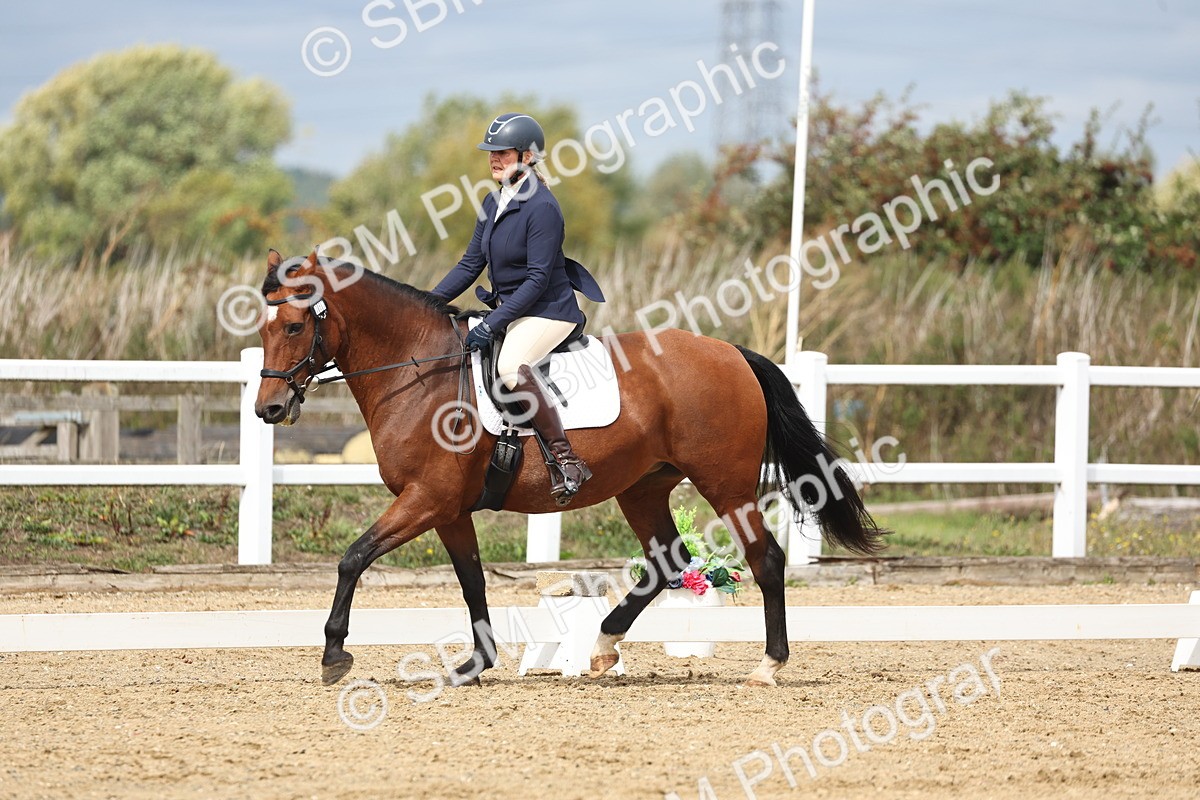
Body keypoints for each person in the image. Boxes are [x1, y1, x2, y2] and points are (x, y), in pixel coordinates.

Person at [430, 112, 605, 502]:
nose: (494, 159)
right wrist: (426, 302)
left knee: (510, 366)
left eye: (503, 153)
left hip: (548, 310)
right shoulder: (492, 202)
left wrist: (493, 324)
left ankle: (566, 459)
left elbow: (538, 279)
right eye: (491, 153)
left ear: (527, 157)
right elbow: (470, 264)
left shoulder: (542, 207)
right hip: (513, 308)